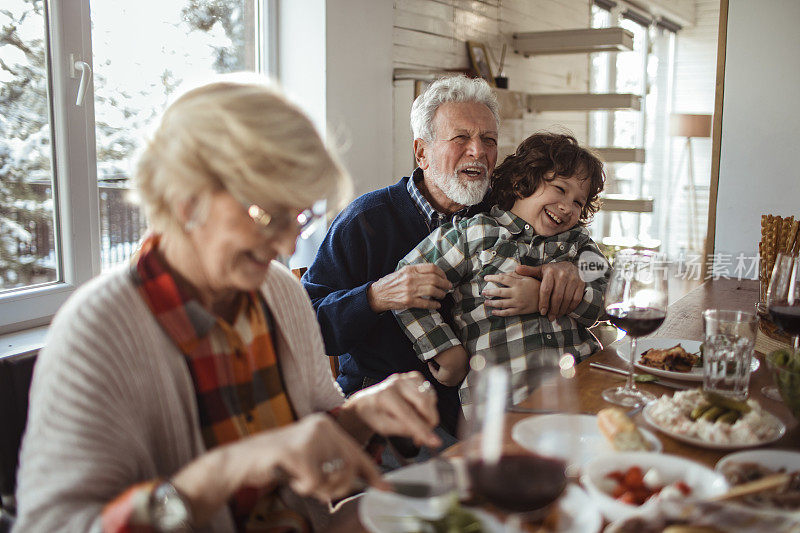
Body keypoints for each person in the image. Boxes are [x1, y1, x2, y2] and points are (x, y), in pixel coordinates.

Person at [14, 77, 442, 533]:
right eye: (267, 215)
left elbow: (312, 438)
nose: (285, 242)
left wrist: (359, 415)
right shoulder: (96, 333)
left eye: (301, 215)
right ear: (185, 200)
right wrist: (229, 469)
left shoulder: (277, 292)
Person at [302, 76, 587, 440]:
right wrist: (374, 296)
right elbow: (308, 326)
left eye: (489, 140)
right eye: (461, 138)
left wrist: (569, 269)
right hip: (389, 416)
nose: (478, 152)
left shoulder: (503, 211)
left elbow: (584, 250)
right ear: (422, 152)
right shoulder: (366, 220)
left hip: (485, 406)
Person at [393, 133, 610, 404]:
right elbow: (406, 282)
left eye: (579, 202)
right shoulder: (474, 233)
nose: (567, 207)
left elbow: (611, 298)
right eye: (560, 189)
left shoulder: (579, 244)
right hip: (504, 402)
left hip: (582, 387)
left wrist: (542, 295)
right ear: (521, 183)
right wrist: (444, 348)